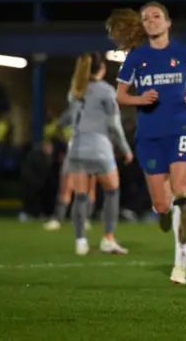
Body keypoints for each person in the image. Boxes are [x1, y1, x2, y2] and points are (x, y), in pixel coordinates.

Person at [106, 1, 186, 284]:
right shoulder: (136, 58)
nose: (152, 20)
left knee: (182, 193)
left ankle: (180, 265)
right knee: (161, 203)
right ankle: (164, 211)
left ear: (167, 23)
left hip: (180, 130)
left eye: (157, 16)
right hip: (149, 136)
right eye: (146, 18)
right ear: (142, 25)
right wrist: (139, 99)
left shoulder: (184, 53)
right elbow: (120, 95)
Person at [65, 51, 133, 256]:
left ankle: (80, 242)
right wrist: (125, 149)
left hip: (75, 148)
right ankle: (108, 238)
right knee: (112, 190)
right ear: (102, 69)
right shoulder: (106, 91)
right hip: (98, 148)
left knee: (81, 195)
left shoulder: (75, 90)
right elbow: (114, 125)